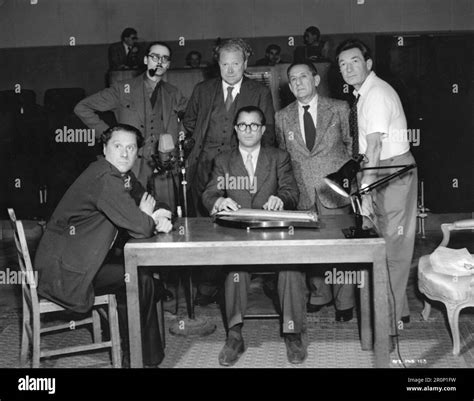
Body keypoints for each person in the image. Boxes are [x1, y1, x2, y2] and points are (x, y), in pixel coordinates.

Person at [34, 124, 173, 368]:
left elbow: (144, 203)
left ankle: (137, 350)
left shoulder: (116, 175)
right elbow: (140, 227)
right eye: (118, 146)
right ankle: (139, 358)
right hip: (66, 272)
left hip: (72, 260)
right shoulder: (105, 177)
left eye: (131, 148)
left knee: (141, 278)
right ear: (104, 148)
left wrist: (154, 214)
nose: (125, 153)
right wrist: (146, 218)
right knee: (141, 281)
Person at [202, 106, 306, 365]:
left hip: (274, 235)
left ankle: (292, 333)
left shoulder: (279, 156)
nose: (248, 130)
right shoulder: (223, 160)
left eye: (254, 125)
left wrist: (281, 199)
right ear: (236, 129)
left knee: (292, 268)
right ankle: (235, 334)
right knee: (234, 271)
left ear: (262, 130)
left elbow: (292, 192)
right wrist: (219, 202)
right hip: (238, 236)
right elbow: (209, 193)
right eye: (243, 125)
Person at [182, 38, 275, 305]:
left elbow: (267, 136)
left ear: (245, 64)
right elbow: (190, 123)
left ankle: (249, 278)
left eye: (236, 63)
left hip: (241, 166)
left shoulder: (259, 91)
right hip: (205, 166)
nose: (231, 69)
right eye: (225, 64)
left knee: (240, 222)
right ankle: (208, 282)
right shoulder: (203, 89)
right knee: (205, 225)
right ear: (218, 64)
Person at [336, 39, 417, 342]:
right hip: (381, 169)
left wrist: (365, 190)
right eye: (342, 64)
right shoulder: (364, 94)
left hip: (391, 170)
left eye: (354, 61)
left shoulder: (376, 93)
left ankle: (389, 323)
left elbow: (375, 145)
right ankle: (399, 310)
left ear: (368, 63)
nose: (348, 68)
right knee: (382, 244)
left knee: (393, 249)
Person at [275, 60, 355, 322]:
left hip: (335, 192)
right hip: (302, 193)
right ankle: (319, 294)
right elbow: (283, 158)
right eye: (292, 79)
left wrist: (349, 184)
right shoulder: (282, 116)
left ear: (316, 80)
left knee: (342, 249)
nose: (298, 82)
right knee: (312, 249)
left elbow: (352, 147)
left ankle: (345, 301)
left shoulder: (340, 108)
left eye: (303, 77)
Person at [75, 41, 187, 214]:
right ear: (145, 60)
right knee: (132, 216)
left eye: (164, 59)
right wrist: (110, 136)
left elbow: (190, 118)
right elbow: (82, 108)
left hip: (164, 168)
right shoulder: (122, 89)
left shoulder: (174, 93)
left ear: (169, 64)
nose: (159, 62)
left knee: (166, 216)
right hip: (131, 166)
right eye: (154, 57)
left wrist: (179, 134)